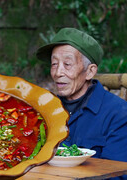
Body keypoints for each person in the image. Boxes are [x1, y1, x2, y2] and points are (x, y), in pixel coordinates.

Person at [36, 27, 127, 162]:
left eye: (67, 64)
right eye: (54, 64)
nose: (57, 72)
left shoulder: (118, 113)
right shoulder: (45, 110)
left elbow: (118, 173)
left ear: (90, 71)